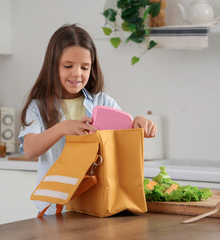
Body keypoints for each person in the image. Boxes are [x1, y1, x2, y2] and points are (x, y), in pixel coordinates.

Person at [18, 24, 157, 215]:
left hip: (99, 202)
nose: (77, 73)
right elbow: (30, 149)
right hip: (58, 209)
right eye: (68, 66)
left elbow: (124, 136)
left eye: (85, 67)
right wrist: (62, 128)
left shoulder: (103, 102)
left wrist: (138, 123)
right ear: (53, 65)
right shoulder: (38, 106)